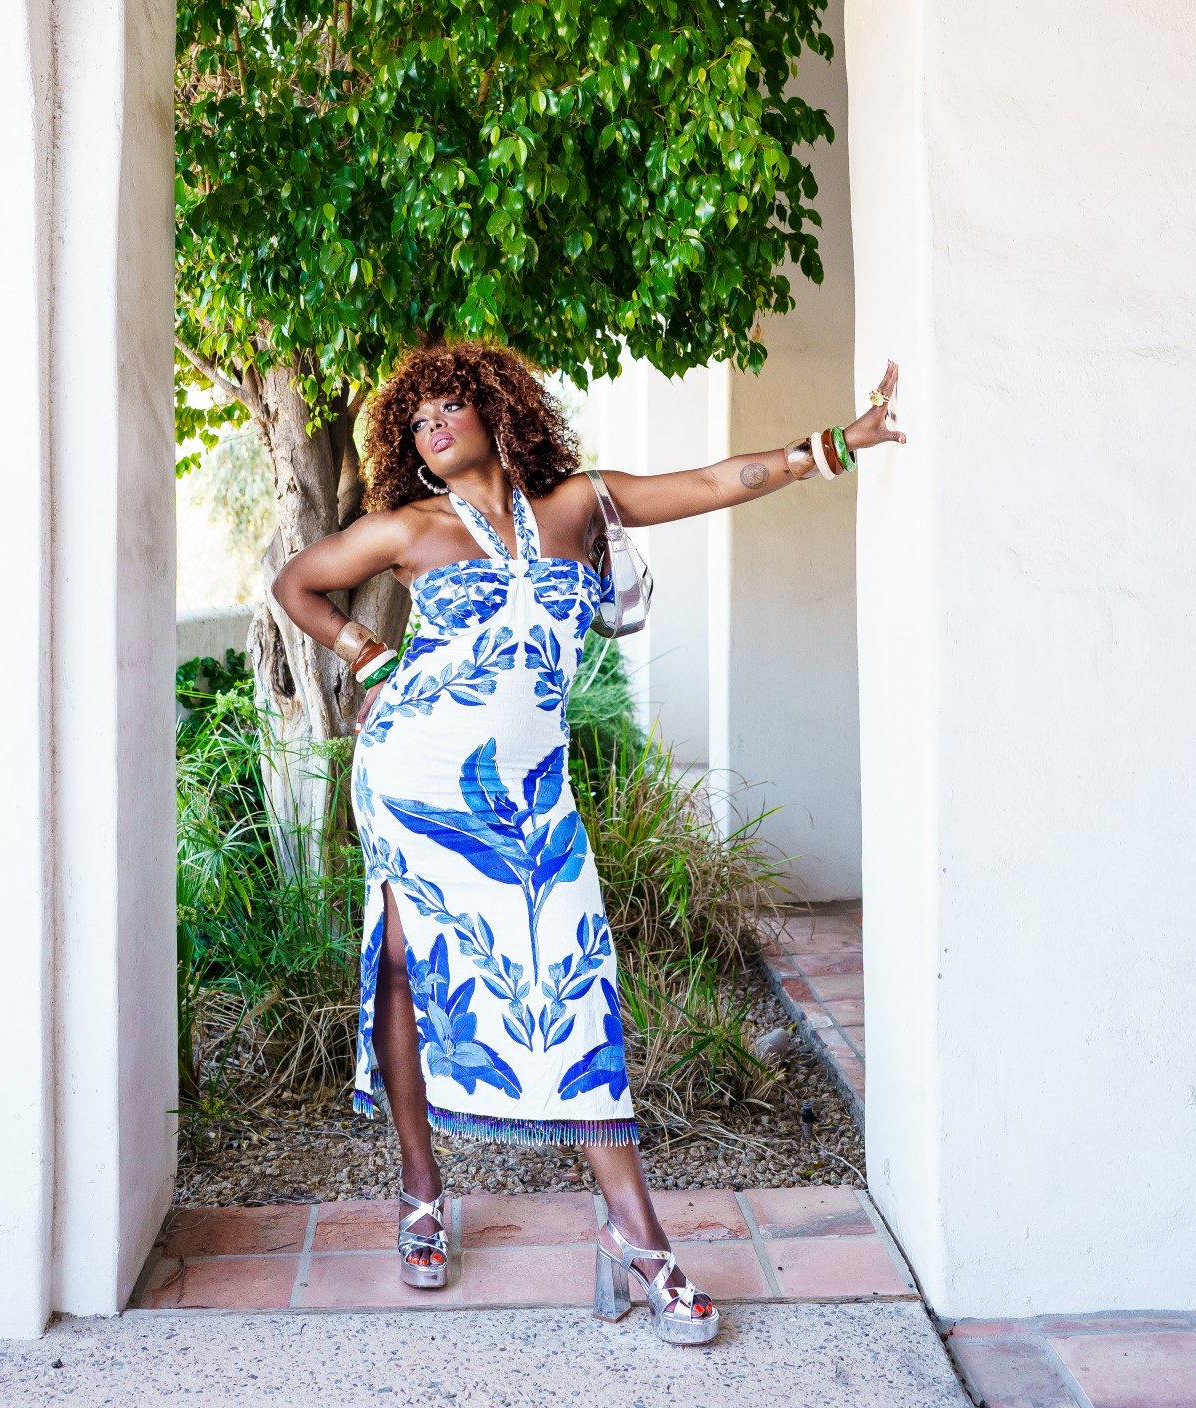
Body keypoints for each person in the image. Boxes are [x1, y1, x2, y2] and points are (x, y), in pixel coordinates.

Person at [271, 342, 905, 1344]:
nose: (433, 427)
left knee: (579, 984)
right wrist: (368, 654)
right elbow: (299, 582)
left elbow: (708, 481)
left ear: (494, 410)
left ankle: (632, 1235)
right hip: (412, 781)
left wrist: (832, 447)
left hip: (532, 799)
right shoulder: (410, 527)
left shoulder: (576, 504)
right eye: (418, 421)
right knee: (402, 968)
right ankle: (421, 1186)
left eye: (449, 409)